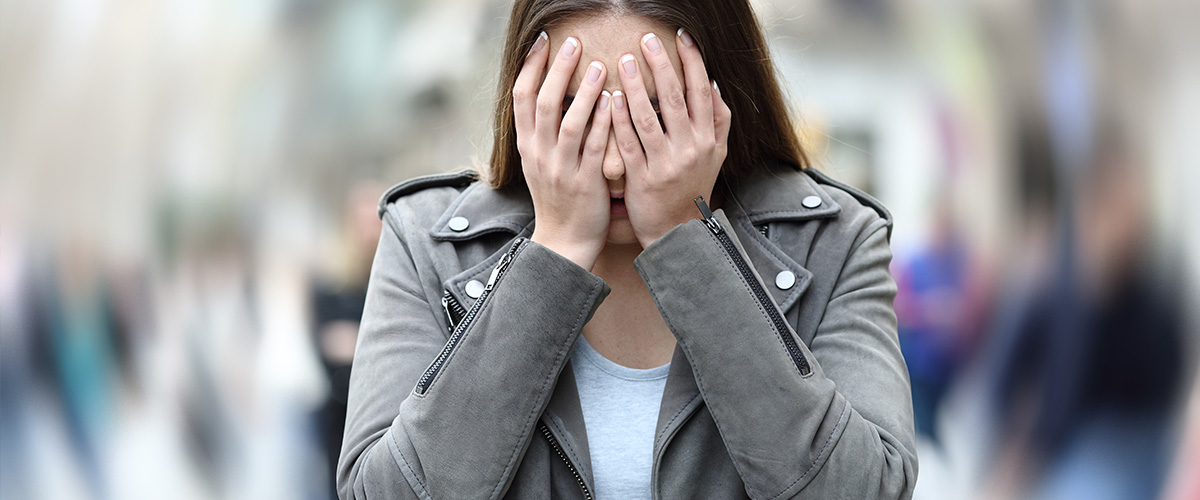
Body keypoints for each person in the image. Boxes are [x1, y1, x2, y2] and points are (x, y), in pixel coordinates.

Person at [338, 0, 917, 498]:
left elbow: (867, 488)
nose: (615, 163)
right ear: (525, 104)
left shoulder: (836, 240)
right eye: (577, 115)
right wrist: (555, 250)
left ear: (722, 103)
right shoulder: (425, 239)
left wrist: (686, 239)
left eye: (656, 115)